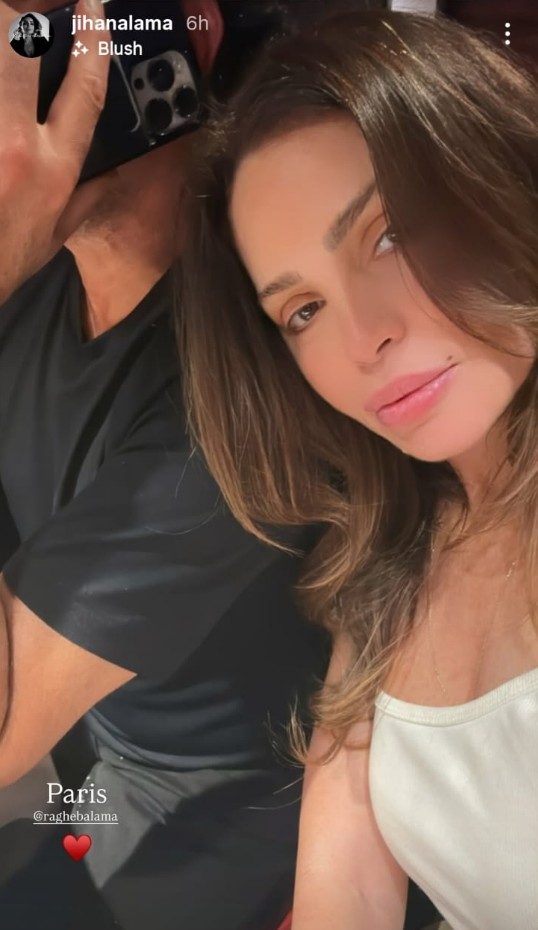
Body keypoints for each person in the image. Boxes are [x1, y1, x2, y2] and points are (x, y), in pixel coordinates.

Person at [177, 9, 538, 930]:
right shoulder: (390, 568)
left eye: (388, 235)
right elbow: (340, 898)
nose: (362, 339)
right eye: (301, 311)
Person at [0, 1, 348, 929]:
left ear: (185, 30)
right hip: (91, 754)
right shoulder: (40, 284)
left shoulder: (244, 384)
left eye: (28, 35)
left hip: (221, 808)